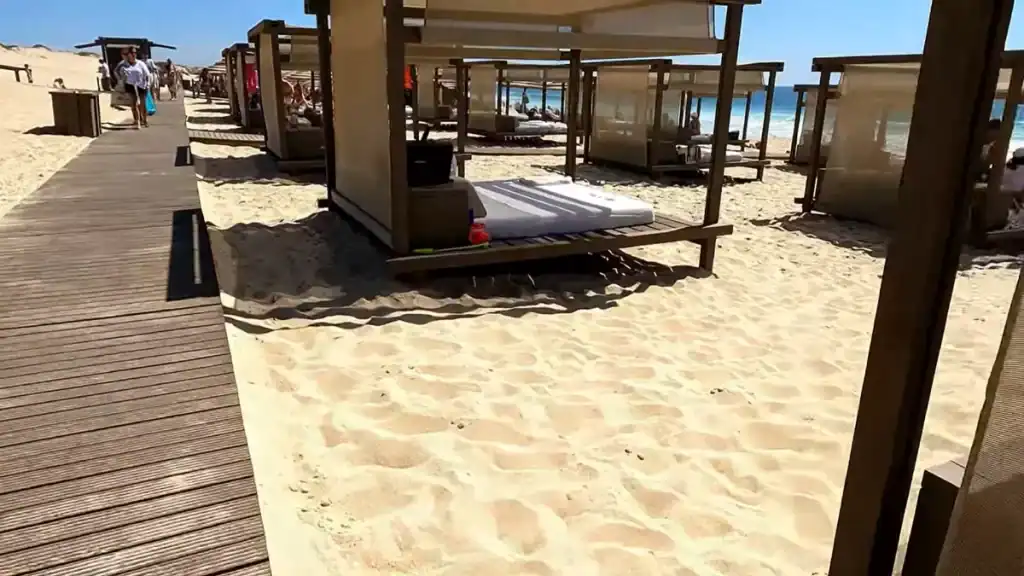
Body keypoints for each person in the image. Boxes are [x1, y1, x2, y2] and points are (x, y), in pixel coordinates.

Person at [115, 47, 152, 129]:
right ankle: (137, 121)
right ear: (128, 55)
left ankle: (145, 120)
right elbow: (116, 72)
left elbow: (147, 75)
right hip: (130, 85)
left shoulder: (140, 63)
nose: (133, 54)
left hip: (142, 86)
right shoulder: (123, 64)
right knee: (134, 104)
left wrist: (148, 84)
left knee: (142, 105)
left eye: (135, 53)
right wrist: (121, 78)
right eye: (132, 53)